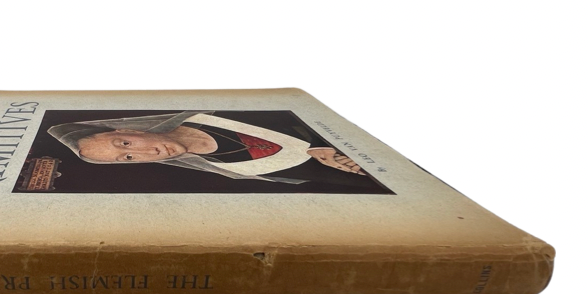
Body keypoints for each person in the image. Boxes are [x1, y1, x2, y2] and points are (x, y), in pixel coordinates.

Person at [47, 111, 375, 187]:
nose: (149, 155)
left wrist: (320, 146)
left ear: (125, 129)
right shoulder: (240, 173)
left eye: (126, 144)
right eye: (127, 158)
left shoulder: (219, 112)